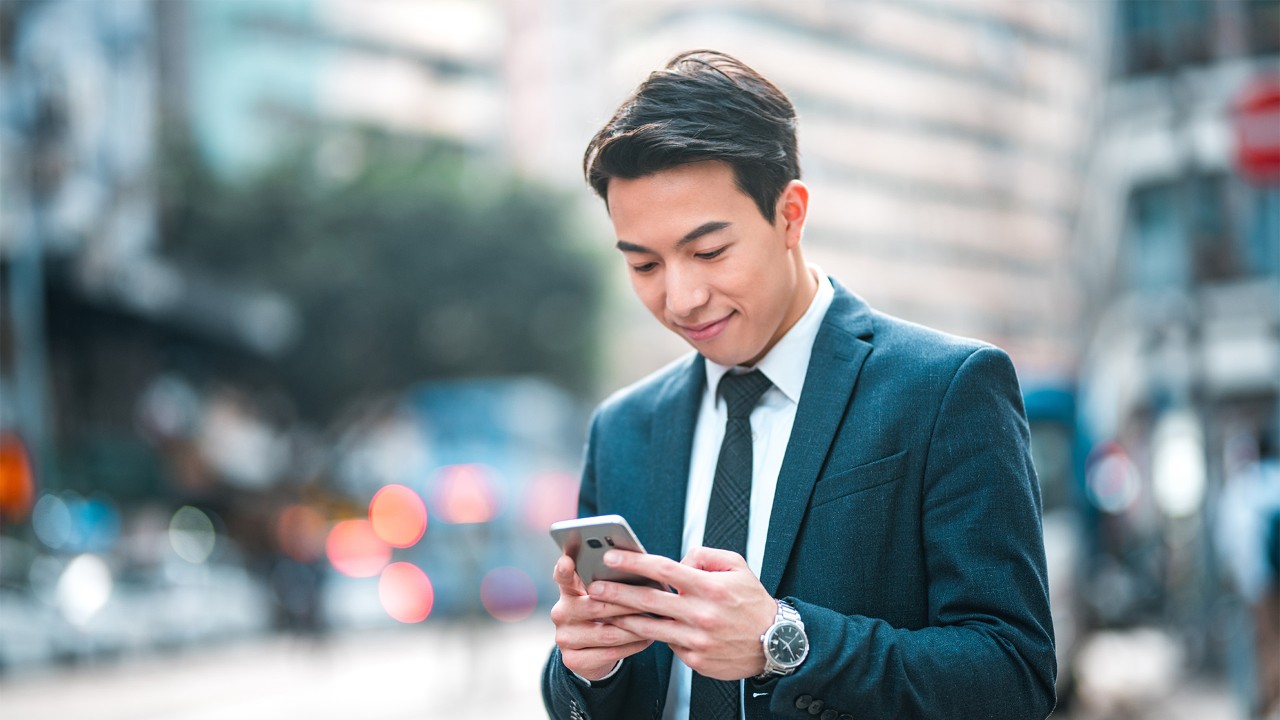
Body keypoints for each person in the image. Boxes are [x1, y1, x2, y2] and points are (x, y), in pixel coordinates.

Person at [542, 50, 1056, 720]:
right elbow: (585, 698)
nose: (682, 297)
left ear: (790, 215)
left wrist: (782, 641)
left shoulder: (945, 389)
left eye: (708, 252)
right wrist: (591, 666)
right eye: (644, 264)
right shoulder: (623, 428)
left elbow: (1013, 675)